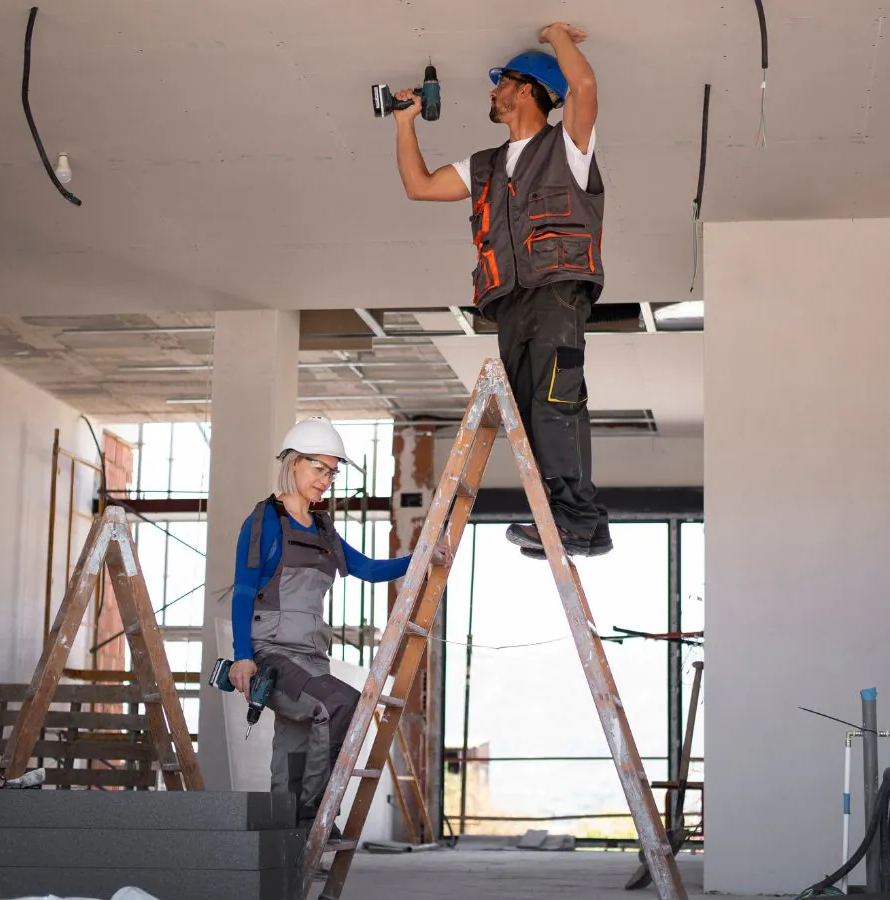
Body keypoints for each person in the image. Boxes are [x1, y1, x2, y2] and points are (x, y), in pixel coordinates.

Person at [391, 22, 611, 560]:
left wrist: (557, 36)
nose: (493, 92)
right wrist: (404, 123)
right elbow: (420, 186)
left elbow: (583, 88)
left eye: (502, 83)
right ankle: (581, 524)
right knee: (528, 417)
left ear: (529, 90)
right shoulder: (484, 166)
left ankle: (575, 520)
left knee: (555, 402)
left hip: (557, 291)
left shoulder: (568, 146)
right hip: (509, 302)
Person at [226, 417, 412, 830]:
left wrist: (420, 559)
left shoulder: (324, 529)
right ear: (294, 463)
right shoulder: (264, 521)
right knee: (342, 704)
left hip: (312, 657)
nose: (326, 480)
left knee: (293, 753)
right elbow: (243, 591)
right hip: (272, 653)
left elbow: (368, 569)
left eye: (332, 472)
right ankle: (317, 815)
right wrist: (243, 656)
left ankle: (288, 835)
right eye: (319, 468)